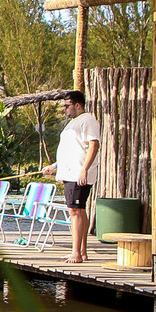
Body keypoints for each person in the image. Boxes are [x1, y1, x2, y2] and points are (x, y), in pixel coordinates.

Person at [42, 90, 100, 264]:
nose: (65, 109)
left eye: (67, 106)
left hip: (78, 174)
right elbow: (71, 151)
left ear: (78, 105)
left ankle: (76, 253)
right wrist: (55, 166)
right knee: (79, 210)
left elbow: (94, 145)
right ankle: (81, 251)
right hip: (70, 172)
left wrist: (84, 169)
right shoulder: (73, 123)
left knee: (75, 211)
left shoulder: (88, 120)